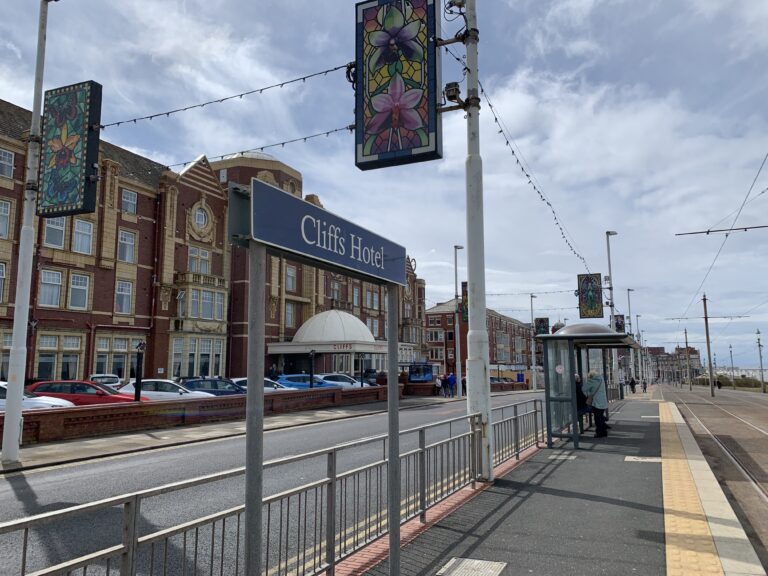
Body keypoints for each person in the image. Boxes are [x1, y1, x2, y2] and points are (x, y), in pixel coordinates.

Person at [582, 370, 609, 438]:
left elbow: (583, 388)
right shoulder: (601, 379)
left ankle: (599, 433)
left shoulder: (592, 381)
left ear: (590, 376)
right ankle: (604, 432)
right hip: (603, 402)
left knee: (597, 419)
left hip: (597, 403)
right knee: (600, 417)